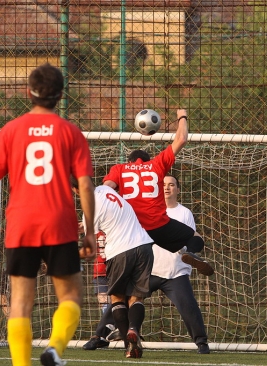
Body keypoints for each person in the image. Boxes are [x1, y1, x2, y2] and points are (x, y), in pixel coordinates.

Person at [0, 63, 96, 366]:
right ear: (60, 94)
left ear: (29, 92)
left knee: (20, 304)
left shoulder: (10, 131)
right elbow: (84, 183)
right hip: (59, 222)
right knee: (70, 297)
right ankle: (54, 349)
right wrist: (90, 229)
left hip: (21, 223)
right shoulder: (71, 132)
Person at [83, 174, 212, 353]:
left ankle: (202, 343)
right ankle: (100, 336)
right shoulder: (148, 209)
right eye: (164, 184)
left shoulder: (184, 213)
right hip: (149, 269)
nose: (167, 188)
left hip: (174, 272)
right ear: (157, 188)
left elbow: (186, 236)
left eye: (172, 185)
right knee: (120, 296)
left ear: (178, 190)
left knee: (188, 305)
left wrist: (186, 249)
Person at [103, 108, 213, 276]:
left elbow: (106, 191)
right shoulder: (156, 165)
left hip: (132, 229)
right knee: (195, 237)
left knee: (131, 280)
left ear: (130, 161)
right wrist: (182, 116)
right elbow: (181, 139)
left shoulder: (119, 169)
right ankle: (189, 252)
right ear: (148, 160)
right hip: (158, 225)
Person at [72, 180, 154, 359]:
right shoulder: (104, 189)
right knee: (136, 297)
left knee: (117, 298)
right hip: (145, 246)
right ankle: (133, 329)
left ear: (75, 190)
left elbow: (89, 251)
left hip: (120, 251)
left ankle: (128, 345)